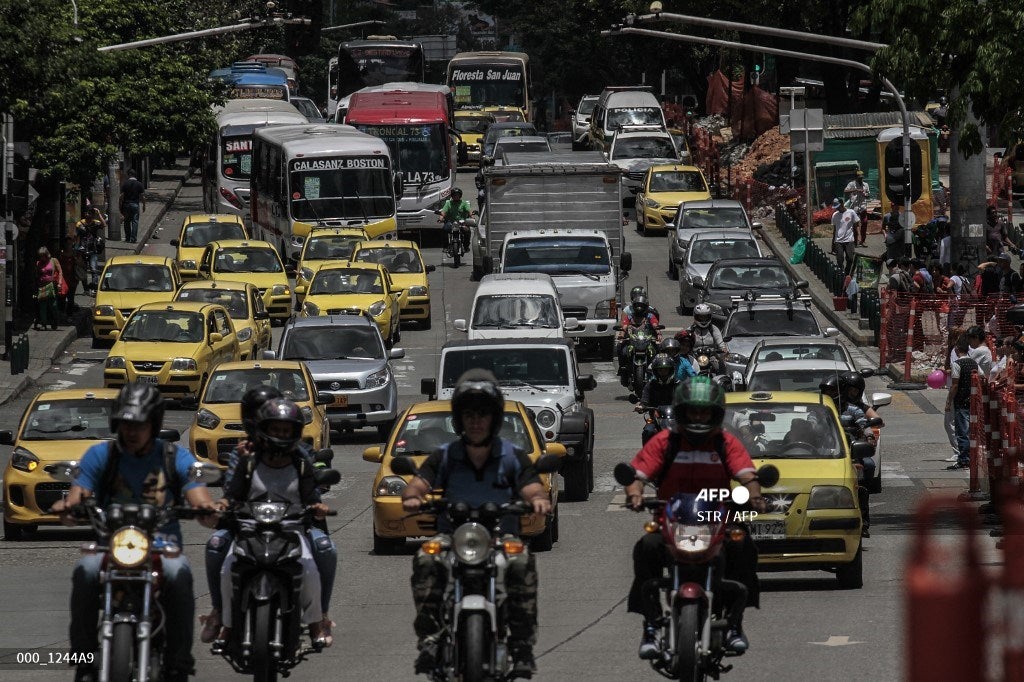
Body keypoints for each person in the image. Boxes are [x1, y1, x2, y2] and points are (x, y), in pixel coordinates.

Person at [50, 383, 220, 682]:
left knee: (180, 574)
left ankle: (179, 661)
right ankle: (84, 659)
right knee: (85, 572)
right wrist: (68, 506)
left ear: (153, 424)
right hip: (110, 545)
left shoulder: (174, 457)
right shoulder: (100, 455)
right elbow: (79, 493)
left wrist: (207, 509)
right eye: (126, 423)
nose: (131, 431)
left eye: (139, 424)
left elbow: (198, 495)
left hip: (162, 544)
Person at [401, 370, 550, 677]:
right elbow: (418, 484)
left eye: (482, 415)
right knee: (426, 559)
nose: (476, 422)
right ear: (459, 419)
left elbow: (532, 486)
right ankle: (430, 641)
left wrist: (537, 500)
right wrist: (413, 497)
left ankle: (522, 647)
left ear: (494, 419)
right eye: (469, 415)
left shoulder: (512, 455)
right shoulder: (445, 455)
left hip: (500, 535)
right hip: (454, 536)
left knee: (521, 563)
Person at [624, 376, 765, 658]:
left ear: (715, 414)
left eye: (704, 411)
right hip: (670, 520)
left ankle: (735, 624)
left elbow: (746, 474)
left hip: (716, 519)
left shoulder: (726, 443)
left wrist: (756, 496)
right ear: (681, 411)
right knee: (646, 548)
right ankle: (650, 625)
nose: (699, 417)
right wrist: (635, 493)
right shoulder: (666, 442)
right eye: (693, 411)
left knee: (743, 546)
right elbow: (638, 474)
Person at [201, 385, 338, 646]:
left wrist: (317, 504)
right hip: (247, 525)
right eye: (273, 427)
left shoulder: (301, 458)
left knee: (325, 549)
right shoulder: (246, 458)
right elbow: (232, 491)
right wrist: (221, 503)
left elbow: (312, 490)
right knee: (217, 546)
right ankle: (222, 616)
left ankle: (318, 617)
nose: (279, 435)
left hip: (293, 525)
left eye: (285, 428)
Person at [946, 338, 979, 471]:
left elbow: (954, 385)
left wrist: (949, 401)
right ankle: (972, 457)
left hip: (961, 401)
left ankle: (964, 459)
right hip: (972, 400)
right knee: (971, 430)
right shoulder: (974, 363)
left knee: (962, 431)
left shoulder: (956, 364)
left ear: (957, 349)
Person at [636, 354, 681, 442]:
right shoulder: (650, 385)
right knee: (648, 431)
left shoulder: (678, 384)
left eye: (666, 369)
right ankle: (648, 455)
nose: (663, 372)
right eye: (660, 370)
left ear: (671, 370)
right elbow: (644, 400)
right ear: (656, 371)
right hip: (656, 420)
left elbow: (687, 398)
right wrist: (641, 406)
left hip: (676, 419)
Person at [618, 294, 662, 379]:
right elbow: (624, 326)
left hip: (647, 341)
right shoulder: (629, 317)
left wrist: (659, 334)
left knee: (659, 349)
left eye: (641, 306)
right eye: (637, 306)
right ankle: (622, 368)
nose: (639, 308)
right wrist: (621, 335)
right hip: (632, 341)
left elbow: (655, 325)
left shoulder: (650, 316)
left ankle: (657, 369)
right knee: (621, 348)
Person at [75, 208, 106, 293]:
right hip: (82, 250)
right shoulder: (80, 224)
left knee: (94, 269)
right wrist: (76, 249)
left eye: (89, 213)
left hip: (93, 250)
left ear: (92, 215)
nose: (87, 214)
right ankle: (86, 289)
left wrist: (99, 213)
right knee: (83, 270)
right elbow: (76, 237)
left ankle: (94, 287)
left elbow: (104, 224)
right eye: (86, 212)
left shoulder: (95, 222)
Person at [437, 187, 475, 251]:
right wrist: (441, 218)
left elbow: (469, 211)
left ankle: (466, 246)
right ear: (452, 196)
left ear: (460, 196)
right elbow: (443, 212)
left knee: (467, 231)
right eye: (454, 195)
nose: (456, 196)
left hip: (462, 222)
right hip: (451, 222)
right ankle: (446, 246)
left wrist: (472, 218)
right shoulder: (448, 203)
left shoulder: (464, 203)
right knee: (444, 229)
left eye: (457, 195)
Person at [35, 246, 63, 331]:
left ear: (46, 254)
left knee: (53, 305)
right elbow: (37, 275)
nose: (41, 258)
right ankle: (44, 324)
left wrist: (60, 282)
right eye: (40, 256)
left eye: (43, 255)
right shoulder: (38, 263)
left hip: (51, 285)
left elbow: (60, 271)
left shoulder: (53, 261)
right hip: (42, 286)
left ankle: (54, 321)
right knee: (42, 306)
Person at [831, 197, 859, 276]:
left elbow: (856, 226)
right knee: (839, 259)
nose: (837, 209)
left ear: (842, 204)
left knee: (850, 258)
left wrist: (856, 239)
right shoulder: (835, 215)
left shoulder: (851, 213)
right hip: (838, 241)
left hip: (849, 240)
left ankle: (847, 272)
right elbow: (834, 230)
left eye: (838, 207)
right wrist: (833, 243)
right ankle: (841, 273)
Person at [843, 170, 870, 246]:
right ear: (856, 177)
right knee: (855, 225)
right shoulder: (852, 184)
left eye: (862, 178)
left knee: (864, 222)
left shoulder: (866, 185)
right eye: (859, 178)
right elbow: (845, 190)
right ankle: (856, 240)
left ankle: (863, 240)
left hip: (863, 206)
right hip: (854, 207)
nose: (861, 179)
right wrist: (855, 190)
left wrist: (865, 194)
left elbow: (868, 195)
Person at [120, 169, 146, 243]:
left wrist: (120, 206)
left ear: (129, 175)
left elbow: (121, 196)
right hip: (135, 204)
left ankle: (127, 237)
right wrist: (144, 205)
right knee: (135, 222)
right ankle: (133, 238)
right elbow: (142, 196)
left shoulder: (125, 184)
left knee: (127, 222)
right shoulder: (139, 184)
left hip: (126, 204)